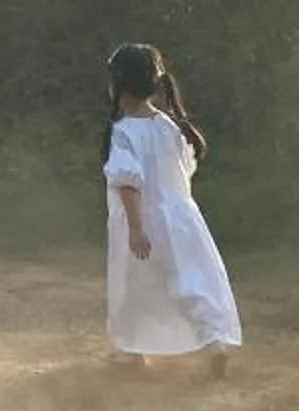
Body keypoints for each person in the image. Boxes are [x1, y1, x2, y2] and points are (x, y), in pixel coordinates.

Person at [102, 42, 242, 376]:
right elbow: (183, 170)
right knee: (191, 284)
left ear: (119, 84)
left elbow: (128, 183)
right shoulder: (169, 125)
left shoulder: (123, 131)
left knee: (136, 286)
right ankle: (213, 343)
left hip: (145, 221)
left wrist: (136, 229)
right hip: (182, 219)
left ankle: (135, 351)